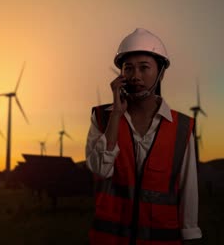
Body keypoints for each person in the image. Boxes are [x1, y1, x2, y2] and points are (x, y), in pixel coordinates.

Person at [86, 28, 202, 245]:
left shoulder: (181, 127)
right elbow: (100, 168)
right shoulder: (102, 118)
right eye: (128, 68)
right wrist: (116, 115)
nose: (135, 76)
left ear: (161, 73)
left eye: (144, 68)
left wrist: (190, 234)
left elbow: (189, 189)